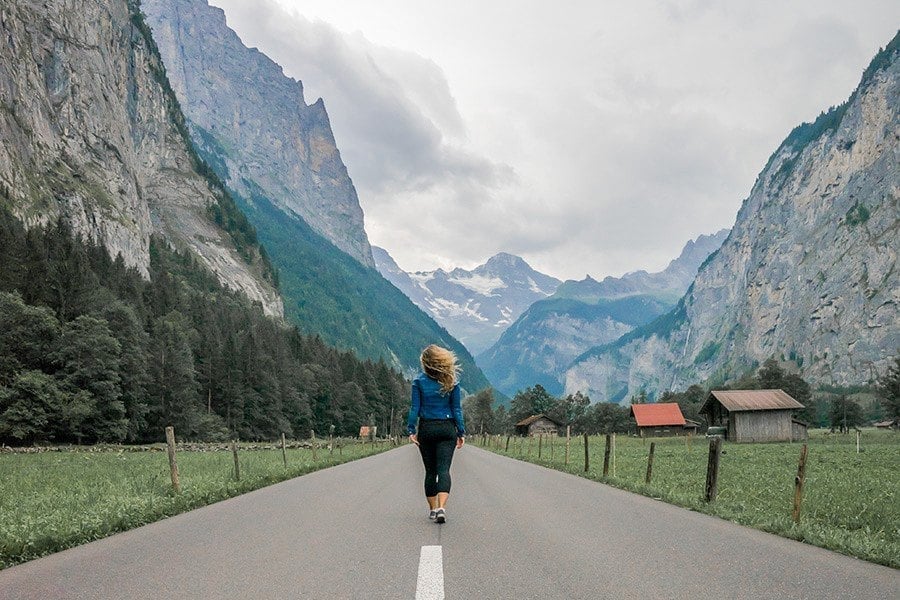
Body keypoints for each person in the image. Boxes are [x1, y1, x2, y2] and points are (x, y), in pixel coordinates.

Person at [407, 344, 465, 524]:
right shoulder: (451, 382)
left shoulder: (418, 382)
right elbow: (456, 409)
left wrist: (411, 430)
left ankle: (432, 510)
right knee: (444, 470)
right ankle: (442, 507)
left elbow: (414, 408)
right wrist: (461, 431)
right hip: (447, 428)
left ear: (426, 363)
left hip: (427, 428)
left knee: (430, 471)